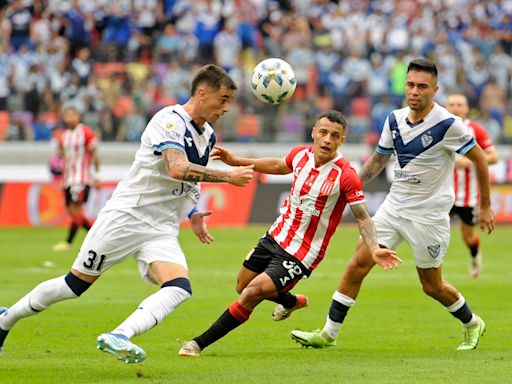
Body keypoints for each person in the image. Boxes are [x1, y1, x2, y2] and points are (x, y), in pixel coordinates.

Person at [0, 64, 254, 363]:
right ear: (202, 93)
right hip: (127, 217)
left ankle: (119, 335)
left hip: (161, 227)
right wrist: (226, 176)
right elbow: (177, 167)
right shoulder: (169, 120)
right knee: (74, 285)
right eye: (223, 99)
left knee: (179, 287)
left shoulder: (207, 135)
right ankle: (5, 320)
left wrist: (194, 212)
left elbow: (190, 179)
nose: (227, 107)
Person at [290, 59, 495, 351]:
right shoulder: (394, 120)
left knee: (431, 285)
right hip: (393, 208)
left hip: (429, 216)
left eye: (422, 86)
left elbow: (480, 159)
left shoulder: (449, 125)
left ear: (435, 90)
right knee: (357, 265)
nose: (414, 91)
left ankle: (472, 322)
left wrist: (485, 206)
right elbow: (377, 160)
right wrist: (347, 187)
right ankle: (328, 334)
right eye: (410, 85)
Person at [178, 110, 401, 357]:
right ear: (314, 132)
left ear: (342, 141)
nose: (327, 140)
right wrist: (237, 161)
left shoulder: (346, 175)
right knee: (242, 285)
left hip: (302, 253)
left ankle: (197, 344)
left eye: (335, 136)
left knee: (252, 293)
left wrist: (374, 247)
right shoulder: (300, 155)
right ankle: (291, 302)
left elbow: (362, 217)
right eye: (324, 133)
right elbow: (278, 165)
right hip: (276, 235)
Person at [446, 92, 498, 278]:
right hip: (443, 194)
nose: (455, 108)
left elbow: (493, 156)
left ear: (467, 108)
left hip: (468, 197)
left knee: (467, 237)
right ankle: (433, 269)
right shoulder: (438, 128)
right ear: (446, 107)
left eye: (460, 104)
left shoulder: (476, 129)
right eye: (452, 104)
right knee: (433, 231)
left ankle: (475, 254)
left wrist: (470, 162)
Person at [52, 105, 101, 252]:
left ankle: (68, 243)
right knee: (73, 212)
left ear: (78, 117)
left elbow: (94, 155)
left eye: (73, 115)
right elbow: (64, 159)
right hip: (68, 179)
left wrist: (97, 176)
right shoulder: (63, 136)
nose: (70, 118)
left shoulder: (86, 132)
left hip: (82, 178)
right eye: (67, 115)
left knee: (77, 209)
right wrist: (62, 178)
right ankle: (97, 238)